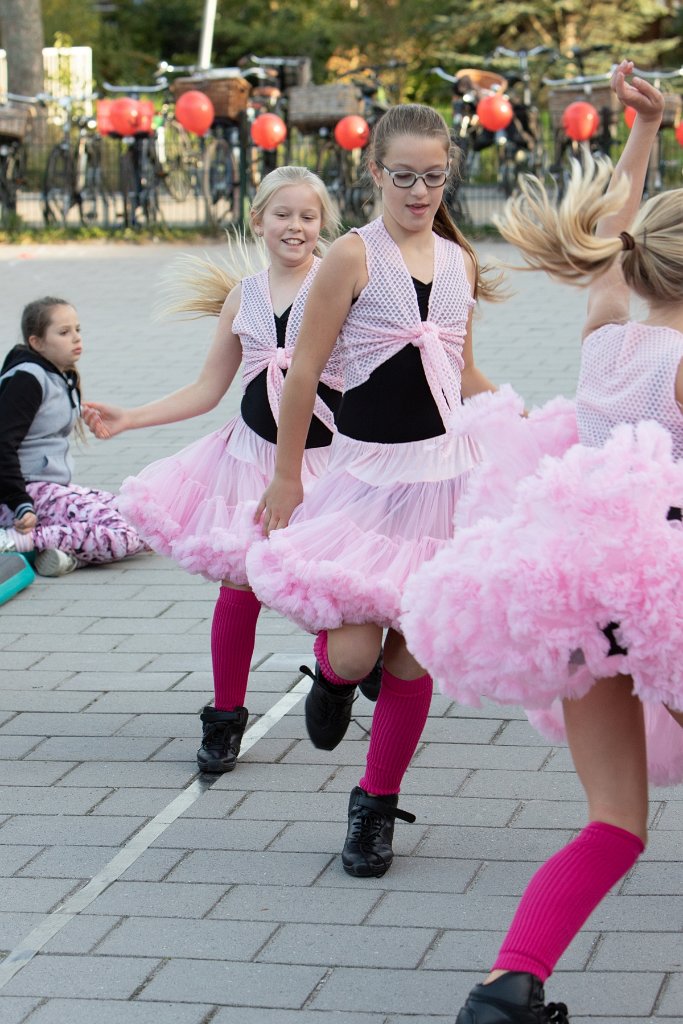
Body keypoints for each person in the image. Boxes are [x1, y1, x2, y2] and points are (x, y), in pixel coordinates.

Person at [402, 63, 683, 1022]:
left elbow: (613, 235)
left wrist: (640, 132)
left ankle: (507, 986)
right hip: (672, 592)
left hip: (592, 593)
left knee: (613, 821)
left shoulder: (610, 336)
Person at [246, 104, 503, 878]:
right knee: (358, 652)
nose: (418, 191)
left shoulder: (459, 262)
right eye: (403, 176)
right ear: (374, 173)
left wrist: (517, 418)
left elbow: (458, 371)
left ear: (447, 172)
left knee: (414, 651)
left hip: (443, 481)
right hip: (364, 478)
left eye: (432, 176)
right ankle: (330, 679)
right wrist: (288, 473)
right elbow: (301, 373)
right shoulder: (352, 258)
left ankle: (374, 805)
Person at [82, 165, 355, 776]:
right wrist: (130, 418)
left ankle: (339, 676)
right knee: (240, 588)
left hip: (327, 458)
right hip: (252, 458)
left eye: (308, 216)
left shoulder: (338, 286)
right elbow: (209, 388)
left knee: (325, 585)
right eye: (282, 214)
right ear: (257, 219)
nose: (296, 226)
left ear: (323, 226)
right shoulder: (245, 296)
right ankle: (226, 717)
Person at [0, 296, 147, 577]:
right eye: (64, 332)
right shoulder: (27, 379)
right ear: (37, 342)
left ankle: (64, 557)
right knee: (125, 534)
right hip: (25, 495)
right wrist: (20, 504)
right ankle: (15, 541)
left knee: (142, 517)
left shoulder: (59, 375)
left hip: (50, 489)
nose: (76, 338)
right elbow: (2, 444)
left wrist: (83, 413)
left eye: (78, 329)